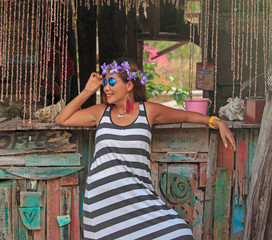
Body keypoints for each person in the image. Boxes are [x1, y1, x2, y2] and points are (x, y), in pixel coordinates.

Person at [55, 57, 236, 240]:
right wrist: (87, 91)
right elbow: (62, 119)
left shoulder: (147, 111)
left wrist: (215, 121)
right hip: (102, 201)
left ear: (129, 85)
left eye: (112, 82)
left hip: (137, 196)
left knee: (180, 234)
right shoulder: (100, 112)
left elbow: (187, 116)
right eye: (105, 82)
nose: (106, 88)